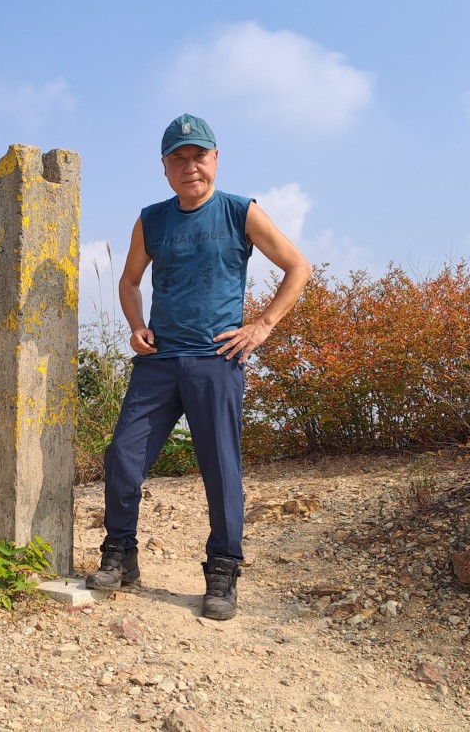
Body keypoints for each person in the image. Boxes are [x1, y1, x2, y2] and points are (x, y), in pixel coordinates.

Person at [85, 114, 312, 620]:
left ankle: (223, 571)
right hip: (159, 361)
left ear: (215, 159)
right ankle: (120, 555)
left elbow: (298, 267)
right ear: (165, 167)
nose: (190, 167)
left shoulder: (240, 211)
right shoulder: (151, 219)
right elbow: (129, 280)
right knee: (122, 455)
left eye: (199, 156)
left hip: (217, 360)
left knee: (221, 467)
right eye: (179, 158)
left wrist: (263, 325)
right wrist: (136, 325)